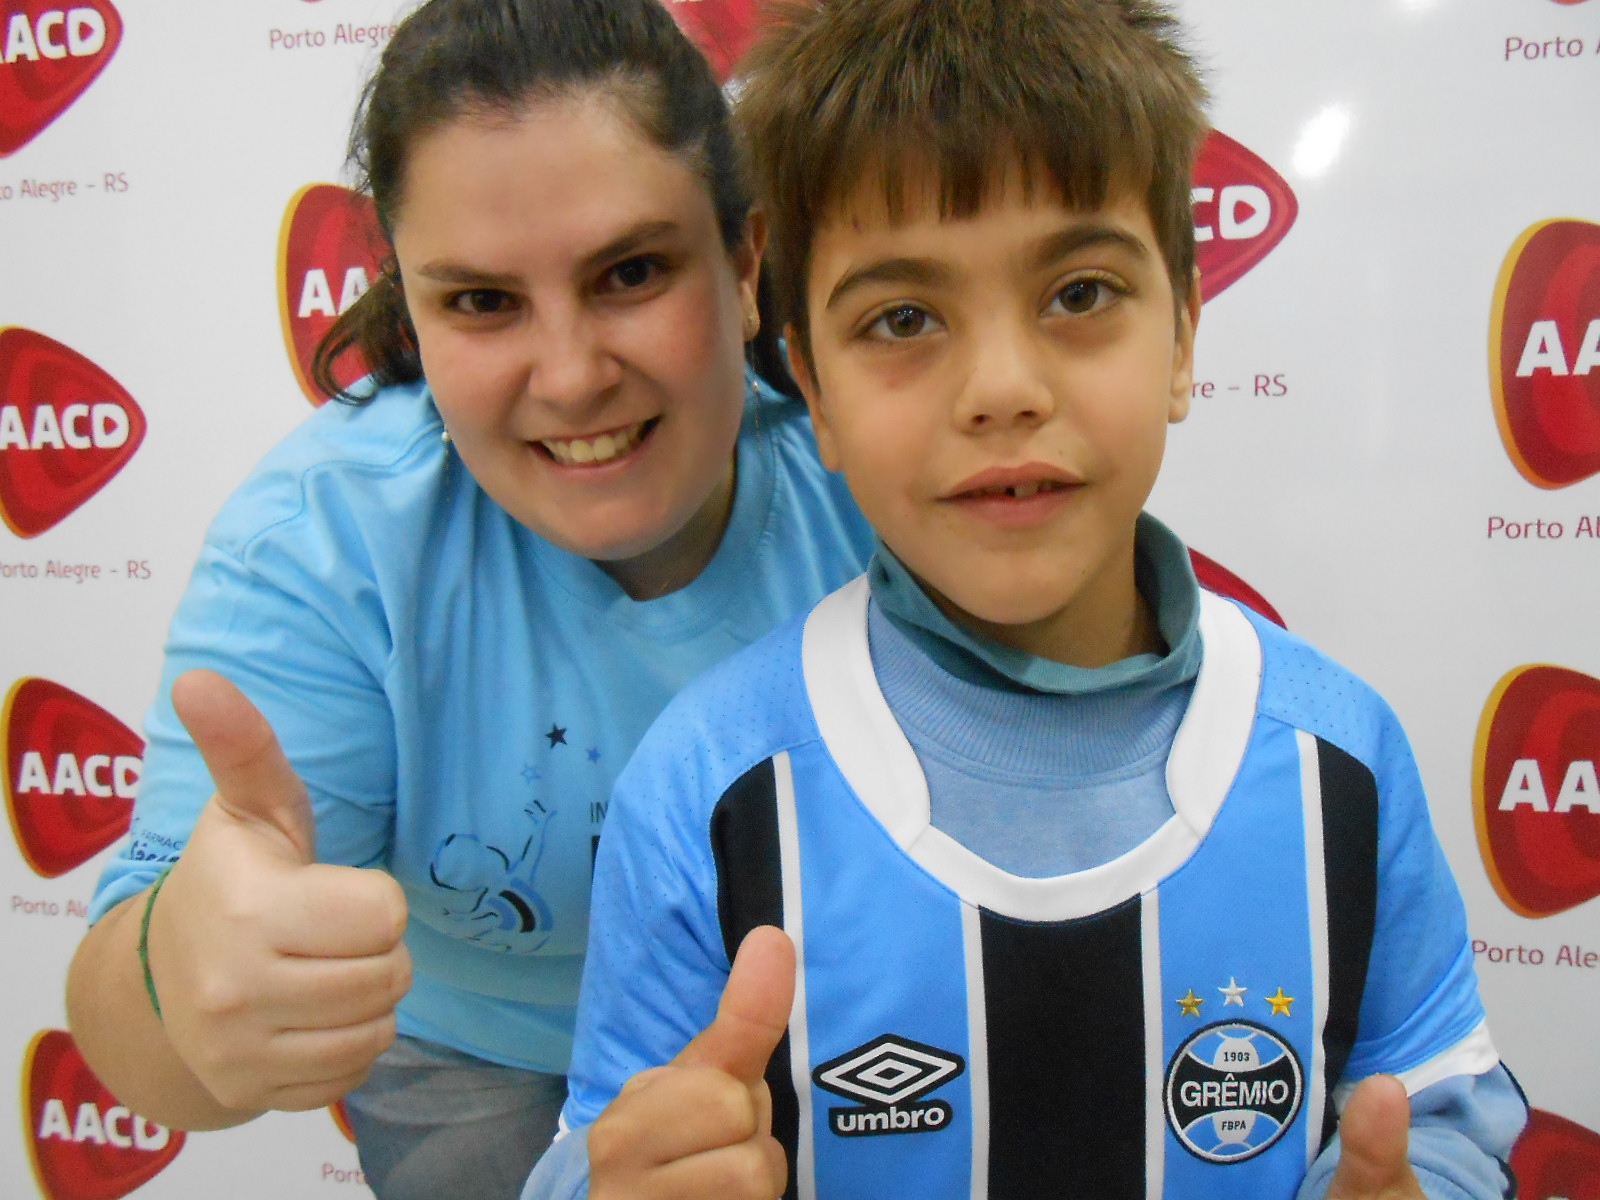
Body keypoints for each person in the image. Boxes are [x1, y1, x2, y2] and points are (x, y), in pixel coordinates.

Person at [522, 1, 1530, 1197]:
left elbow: (1443, 1120)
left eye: (1080, 293)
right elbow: (606, 1153)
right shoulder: (709, 788)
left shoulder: (1339, 760)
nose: (1001, 388)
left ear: (1184, 335)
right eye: (903, 319)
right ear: (817, 395)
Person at [63, 1, 874, 1197]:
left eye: (633, 272)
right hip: (471, 1057)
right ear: (415, 308)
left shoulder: (868, 474)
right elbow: (127, 1019)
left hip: (804, 1022)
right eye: (482, 302)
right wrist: (179, 987)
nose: (570, 376)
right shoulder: (329, 542)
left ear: (745, 264)